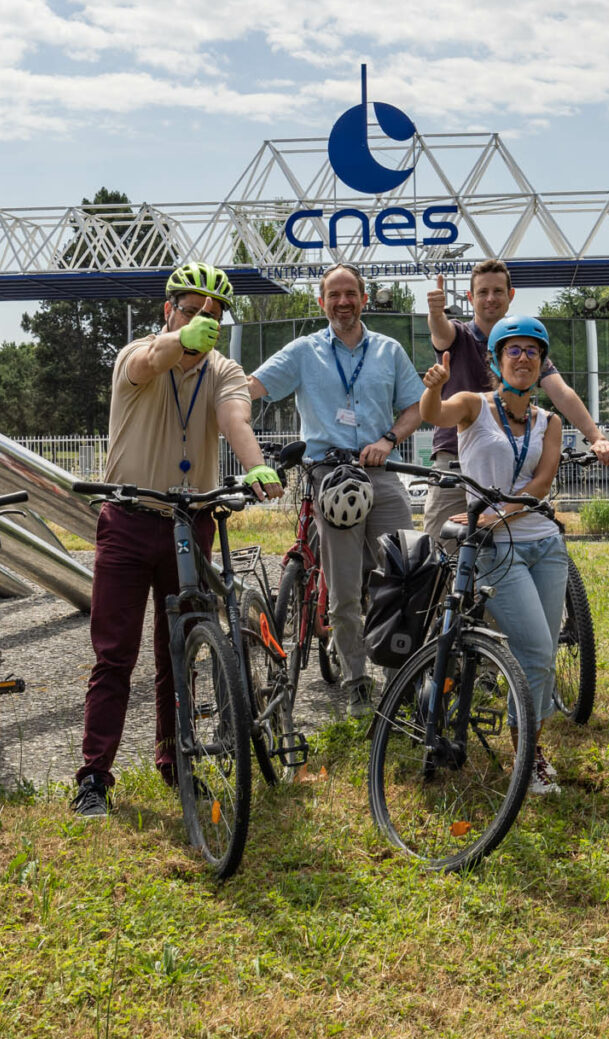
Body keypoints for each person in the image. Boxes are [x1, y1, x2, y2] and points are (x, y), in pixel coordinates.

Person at [73, 262, 279, 818]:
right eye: (190, 311)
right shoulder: (135, 354)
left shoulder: (224, 369)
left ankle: (176, 759)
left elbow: (235, 418)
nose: (202, 323)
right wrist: (175, 340)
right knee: (115, 654)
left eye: (212, 316)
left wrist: (255, 465)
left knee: (181, 649)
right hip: (129, 517)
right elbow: (149, 361)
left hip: (191, 520)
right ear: (168, 311)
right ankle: (94, 776)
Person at [247, 263, 427, 710]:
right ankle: (356, 680)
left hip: (381, 474)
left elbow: (416, 407)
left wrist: (389, 440)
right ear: (321, 302)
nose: (343, 302)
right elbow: (252, 386)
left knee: (403, 573)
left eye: (351, 294)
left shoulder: (389, 350)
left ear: (364, 299)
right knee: (345, 587)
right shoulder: (304, 352)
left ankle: (399, 673)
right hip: (329, 476)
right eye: (334, 295)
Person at [416, 315, 573, 795]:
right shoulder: (472, 405)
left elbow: (542, 485)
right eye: (513, 350)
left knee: (542, 658)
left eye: (532, 352)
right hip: (496, 551)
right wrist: (433, 388)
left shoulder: (550, 422)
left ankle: (531, 748)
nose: (522, 358)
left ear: (541, 363)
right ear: (496, 360)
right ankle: (525, 758)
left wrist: (493, 515)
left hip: (544, 545)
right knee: (537, 652)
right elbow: (432, 415)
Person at [422, 259, 609, 549]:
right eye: (483, 292)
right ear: (470, 297)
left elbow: (561, 392)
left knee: (506, 555)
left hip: (507, 466)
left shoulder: (523, 345)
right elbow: (440, 331)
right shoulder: (459, 335)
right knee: (441, 555)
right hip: (456, 463)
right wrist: (435, 314)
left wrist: (597, 437)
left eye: (498, 291)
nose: (491, 298)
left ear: (510, 296)